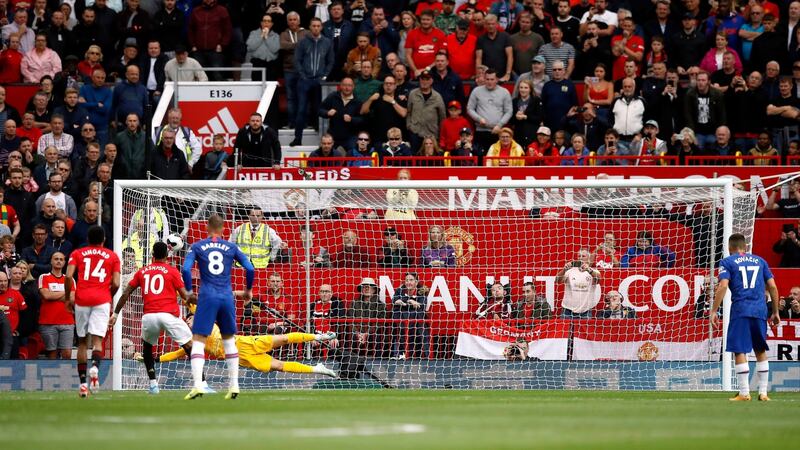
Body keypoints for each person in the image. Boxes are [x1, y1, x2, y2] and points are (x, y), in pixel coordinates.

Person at [148, 301, 338, 379]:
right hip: (242, 358)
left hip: (243, 342)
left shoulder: (203, 318)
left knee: (283, 338)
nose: (188, 322)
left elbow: (190, 301)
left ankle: (319, 336)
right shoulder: (193, 341)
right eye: (187, 321)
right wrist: (155, 359)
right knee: (279, 366)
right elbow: (177, 354)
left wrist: (178, 290)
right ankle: (317, 369)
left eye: (189, 319)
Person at [181, 214, 254, 400]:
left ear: (207, 227)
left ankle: (198, 385)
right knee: (229, 340)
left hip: (207, 296)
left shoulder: (197, 246)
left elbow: (186, 269)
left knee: (198, 340)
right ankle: (234, 385)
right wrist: (247, 290)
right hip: (227, 297)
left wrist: (189, 291)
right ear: (223, 229)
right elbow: (250, 268)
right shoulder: (231, 247)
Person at [109, 242, 194, 394]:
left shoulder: (142, 271)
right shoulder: (172, 271)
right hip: (169, 315)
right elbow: (185, 296)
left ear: (152, 255)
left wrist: (115, 314)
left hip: (149, 316)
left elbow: (126, 293)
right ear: (167, 256)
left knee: (147, 348)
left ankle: (153, 385)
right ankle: (201, 383)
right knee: (190, 346)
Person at [710, 233, 781, 401]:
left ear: (729, 248)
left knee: (740, 349)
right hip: (760, 310)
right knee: (760, 349)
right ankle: (763, 393)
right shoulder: (760, 261)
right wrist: (775, 311)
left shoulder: (727, 262)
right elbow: (772, 286)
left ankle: (744, 392)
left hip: (741, 310)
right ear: (746, 247)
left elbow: (723, 286)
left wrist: (714, 310)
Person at [64, 226, 120, 397]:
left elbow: (68, 276)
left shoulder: (77, 253)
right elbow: (116, 283)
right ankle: (94, 367)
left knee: (82, 342)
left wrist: (67, 298)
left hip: (81, 299)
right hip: (101, 300)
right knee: (97, 341)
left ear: (87, 239)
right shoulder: (112, 256)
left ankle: (83, 384)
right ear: (104, 240)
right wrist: (107, 296)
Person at [291, 18, 333, 147]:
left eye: (318, 26)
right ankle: (298, 138)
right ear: (310, 27)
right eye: (313, 25)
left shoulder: (327, 42)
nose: (316, 28)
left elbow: (331, 61)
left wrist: (325, 75)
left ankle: (324, 141)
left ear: (321, 27)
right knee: (301, 110)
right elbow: (296, 60)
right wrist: (302, 75)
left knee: (319, 109)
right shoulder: (303, 42)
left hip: (319, 80)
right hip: (304, 80)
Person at [38, 251, 73, 360]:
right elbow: (46, 295)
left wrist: (53, 295)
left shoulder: (70, 279)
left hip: (67, 321)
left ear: (64, 263)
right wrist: (66, 292)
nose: (58, 261)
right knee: (52, 355)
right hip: (48, 322)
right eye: (56, 259)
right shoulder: (44, 277)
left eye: (61, 259)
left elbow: (73, 299)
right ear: (51, 261)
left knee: (67, 354)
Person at [390, 271, 427, 359]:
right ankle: (399, 354)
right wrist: (408, 301)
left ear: (416, 282)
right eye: (406, 280)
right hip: (401, 322)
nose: (408, 282)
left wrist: (407, 302)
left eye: (411, 280)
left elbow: (422, 306)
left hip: (415, 324)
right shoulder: (399, 290)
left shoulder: (422, 292)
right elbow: (394, 300)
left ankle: (420, 355)